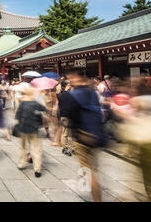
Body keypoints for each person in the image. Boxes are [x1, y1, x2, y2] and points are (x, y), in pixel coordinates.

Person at [63, 69, 107, 202]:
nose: (69, 80)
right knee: (91, 167)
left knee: (89, 171)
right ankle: (86, 183)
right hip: (97, 134)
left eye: (71, 78)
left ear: (76, 78)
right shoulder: (94, 93)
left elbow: (68, 117)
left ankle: (96, 197)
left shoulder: (73, 95)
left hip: (82, 137)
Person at [15, 86, 47, 178]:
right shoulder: (36, 103)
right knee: (36, 149)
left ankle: (21, 164)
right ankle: (37, 169)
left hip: (23, 128)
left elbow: (17, 116)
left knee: (23, 147)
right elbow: (45, 110)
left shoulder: (22, 103)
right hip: (34, 129)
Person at [57, 81, 74, 156]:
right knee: (66, 133)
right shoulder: (68, 94)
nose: (70, 86)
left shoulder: (60, 94)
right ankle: (66, 148)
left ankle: (68, 147)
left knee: (67, 133)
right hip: (67, 115)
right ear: (65, 86)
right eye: (69, 85)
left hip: (63, 115)